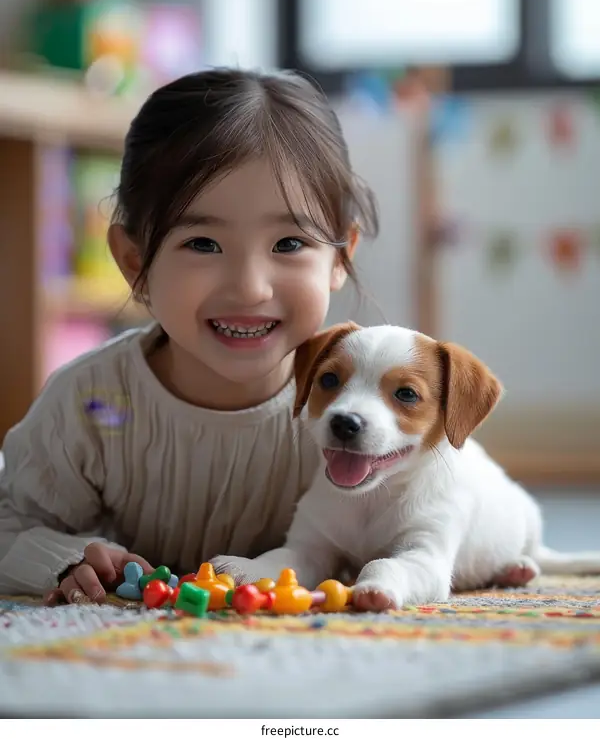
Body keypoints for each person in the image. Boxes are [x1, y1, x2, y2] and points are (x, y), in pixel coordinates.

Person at [0, 68, 378, 604]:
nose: (249, 289)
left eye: (290, 243)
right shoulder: (91, 405)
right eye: (202, 243)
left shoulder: (355, 414)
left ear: (339, 257)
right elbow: (8, 525)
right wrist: (64, 560)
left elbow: (435, 512)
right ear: (135, 261)